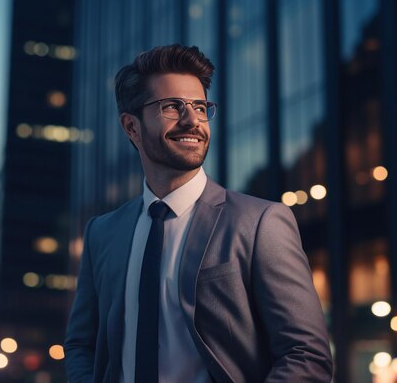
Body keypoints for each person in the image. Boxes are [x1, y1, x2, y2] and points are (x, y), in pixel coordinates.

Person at [65, 44, 333, 383]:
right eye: (172, 107)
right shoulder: (102, 233)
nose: (192, 120)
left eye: (200, 107)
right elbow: (81, 345)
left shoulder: (260, 222)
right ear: (131, 127)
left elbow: (306, 355)